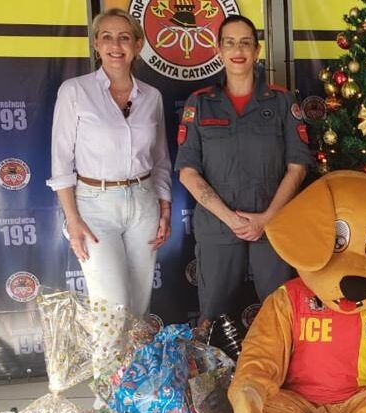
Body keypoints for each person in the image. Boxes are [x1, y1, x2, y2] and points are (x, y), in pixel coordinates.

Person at [175, 15, 311, 322]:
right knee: (212, 315)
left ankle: (282, 371)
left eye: (246, 42)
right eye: (231, 42)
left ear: (257, 50)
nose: (239, 50)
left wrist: (266, 218)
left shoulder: (281, 101)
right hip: (218, 227)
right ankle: (215, 371)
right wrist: (232, 220)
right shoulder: (199, 104)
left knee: (282, 314)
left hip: (274, 227)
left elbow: (298, 167)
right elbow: (187, 172)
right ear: (218, 49)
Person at [47, 9, 172, 323]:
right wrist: (72, 219)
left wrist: (165, 208)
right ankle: (107, 374)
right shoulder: (75, 91)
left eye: (124, 37)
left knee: (139, 309)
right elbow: (61, 161)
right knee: (111, 311)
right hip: (94, 207)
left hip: (144, 203)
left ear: (138, 44)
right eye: (107, 37)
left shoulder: (152, 96)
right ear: (96, 44)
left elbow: (160, 160)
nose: (116, 45)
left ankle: (131, 374)